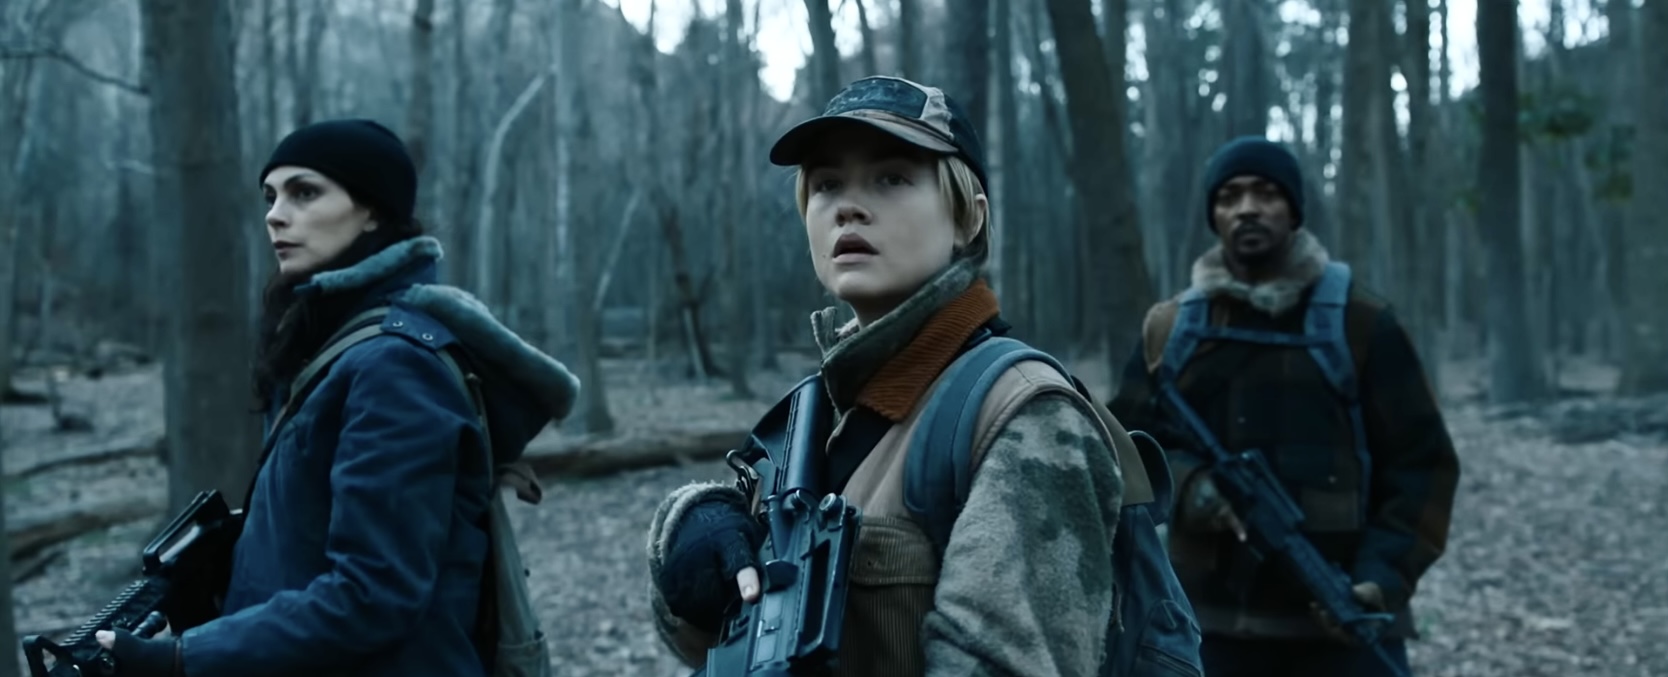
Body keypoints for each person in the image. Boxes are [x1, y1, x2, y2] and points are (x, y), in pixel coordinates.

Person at [643, 75, 1128, 676]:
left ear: (968, 219)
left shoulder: (1024, 416)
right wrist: (688, 531)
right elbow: (711, 645)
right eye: (826, 184)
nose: (847, 206)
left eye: (892, 178)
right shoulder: (815, 412)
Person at [94, 119, 578, 677]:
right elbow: (311, 551)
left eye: (304, 193)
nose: (276, 215)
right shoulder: (329, 349)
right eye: (271, 197)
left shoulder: (393, 367)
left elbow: (374, 593)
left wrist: (185, 658)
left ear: (373, 211)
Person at [1106, 135, 1461, 676]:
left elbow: (1423, 466)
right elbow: (1121, 453)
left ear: (1294, 209)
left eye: (1266, 193)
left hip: (1342, 622)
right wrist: (1190, 483)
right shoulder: (1173, 330)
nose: (1247, 208)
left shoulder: (1360, 323)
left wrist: (1379, 580)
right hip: (1206, 626)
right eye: (1230, 197)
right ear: (1214, 215)